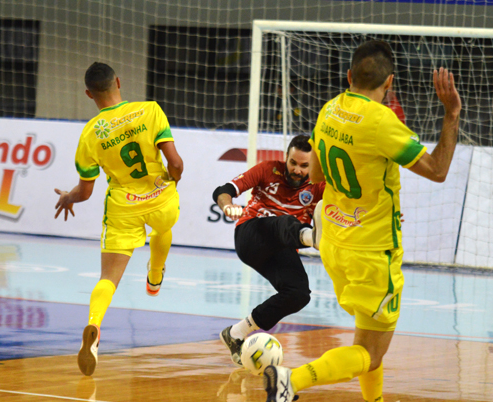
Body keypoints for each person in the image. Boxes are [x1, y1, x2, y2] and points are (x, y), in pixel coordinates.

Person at [261, 40, 461, 402]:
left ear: (349, 76)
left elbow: (315, 174)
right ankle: (290, 380)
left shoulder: (329, 109)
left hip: (335, 242)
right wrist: (452, 113)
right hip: (372, 250)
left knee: (366, 333)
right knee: (370, 351)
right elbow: (438, 170)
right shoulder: (382, 122)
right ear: (389, 82)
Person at [55, 62, 184, 376]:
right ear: (119, 82)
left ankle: (94, 328)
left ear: (89, 94)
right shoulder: (150, 111)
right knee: (164, 226)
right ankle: (155, 274)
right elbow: (176, 163)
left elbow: (85, 192)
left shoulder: (89, 135)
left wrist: (67, 197)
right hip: (158, 195)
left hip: (122, 205)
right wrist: (170, 183)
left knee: (108, 278)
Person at [213, 135, 325, 366]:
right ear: (286, 158)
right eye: (293, 163)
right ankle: (312, 238)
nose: (297, 170)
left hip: (281, 244)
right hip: (251, 235)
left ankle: (235, 333)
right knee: (284, 221)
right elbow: (224, 190)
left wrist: (376, 217)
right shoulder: (267, 169)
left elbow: (355, 205)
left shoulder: (320, 186)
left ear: (313, 165)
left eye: (304, 166)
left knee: (298, 294)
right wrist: (228, 206)